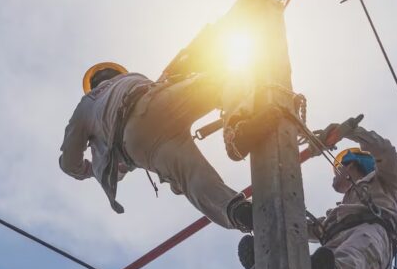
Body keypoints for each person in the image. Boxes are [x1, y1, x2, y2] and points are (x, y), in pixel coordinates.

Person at [58, 62, 253, 232]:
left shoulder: (86, 104)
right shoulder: (134, 77)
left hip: (136, 140)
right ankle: (236, 127)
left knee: (191, 177)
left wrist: (91, 170)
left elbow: (69, 162)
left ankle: (236, 211)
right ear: (118, 73)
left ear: (91, 85)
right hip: (153, 100)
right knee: (223, 81)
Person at [238, 117, 397, 269]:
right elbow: (303, 229)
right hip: (333, 244)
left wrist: (353, 132)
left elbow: (387, 153)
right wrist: (263, 220)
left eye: (338, 167)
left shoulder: (385, 182)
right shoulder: (337, 213)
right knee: (315, 265)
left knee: (351, 255)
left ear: (352, 165)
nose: (334, 174)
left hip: (373, 232)